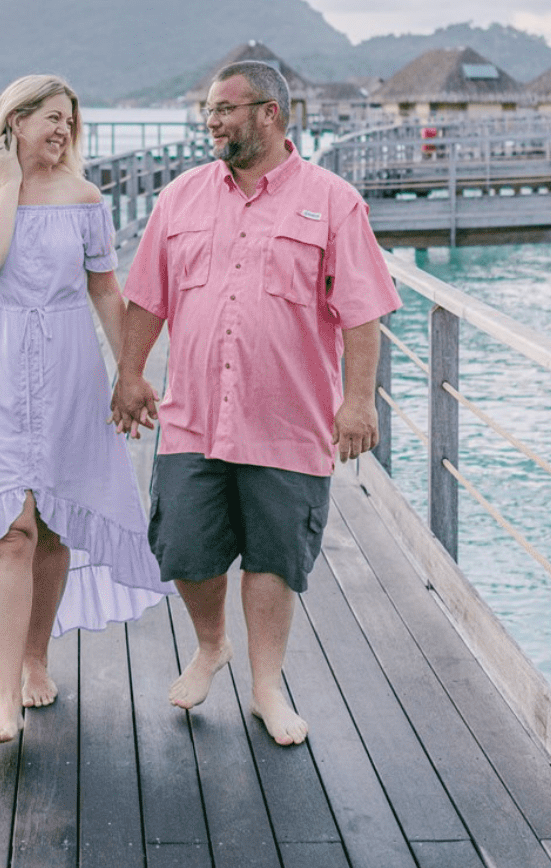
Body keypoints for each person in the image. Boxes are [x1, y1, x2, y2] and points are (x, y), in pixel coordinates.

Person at [110, 60, 399, 747]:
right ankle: (212, 646)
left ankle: (268, 684)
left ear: (270, 114)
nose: (212, 120)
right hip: (194, 414)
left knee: (275, 555)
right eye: (208, 109)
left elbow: (361, 313)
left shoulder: (332, 201)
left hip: (288, 417)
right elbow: (147, 298)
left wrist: (359, 403)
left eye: (225, 108)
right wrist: (129, 374)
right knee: (185, 544)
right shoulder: (179, 199)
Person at [0, 74, 171, 745]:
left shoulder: (86, 200)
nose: (62, 131)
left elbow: (106, 293)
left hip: (71, 365)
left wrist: (130, 372)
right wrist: (10, 184)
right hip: (0, 371)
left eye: (69, 120)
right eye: (48, 118)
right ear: (12, 121)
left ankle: (38, 657)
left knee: (58, 522)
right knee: (11, 528)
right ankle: (5, 697)